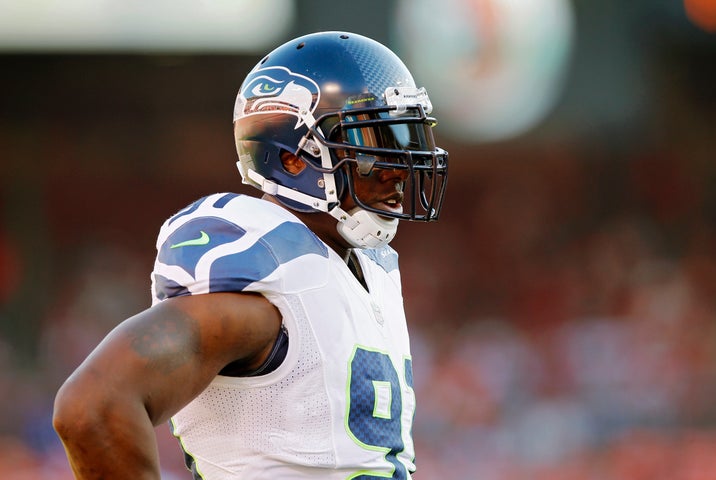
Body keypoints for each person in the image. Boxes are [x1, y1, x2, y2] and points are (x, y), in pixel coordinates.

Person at [52, 30, 449, 479]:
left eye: (407, 136)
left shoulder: (366, 269)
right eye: (377, 140)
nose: (401, 164)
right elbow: (90, 407)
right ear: (294, 158)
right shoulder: (270, 275)